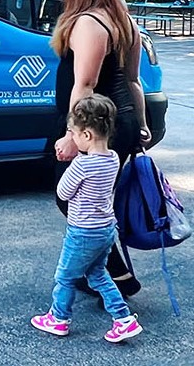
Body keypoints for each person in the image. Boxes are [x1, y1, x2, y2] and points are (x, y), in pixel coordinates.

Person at [50, 0, 151, 298]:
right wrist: (142, 124)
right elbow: (134, 81)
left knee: (73, 198)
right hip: (116, 123)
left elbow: (86, 85)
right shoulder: (125, 22)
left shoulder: (89, 23)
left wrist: (71, 135)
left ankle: (116, 276)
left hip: (96, 128)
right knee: (96, 198)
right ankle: (97, 271)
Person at [32, 94, 143, 343]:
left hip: (83, 232)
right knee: (98, 275)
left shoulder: (82, 165)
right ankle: (123, 319)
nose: (73, 137)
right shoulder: (113, 158)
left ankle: (58, 319)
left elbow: (63, 192)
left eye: (74, 133)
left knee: (65, 276)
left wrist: (73, 164)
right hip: (105, 230)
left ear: (87, 135)